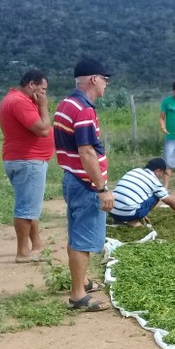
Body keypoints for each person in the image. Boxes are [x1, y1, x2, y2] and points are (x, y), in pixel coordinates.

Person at [54, 58, 115, 312]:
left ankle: (82, 282)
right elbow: (87, 152)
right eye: (105, 80)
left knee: (76, 233)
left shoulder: (65, 104)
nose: (106, 85)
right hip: (85, 182)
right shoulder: (84, 110)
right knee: (83, 239)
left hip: (72, 178)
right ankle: (78, 295)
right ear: (93, 79)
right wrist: (101, 189)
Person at [0, 69, 54, 263]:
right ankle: (23, 252)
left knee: (31, 206)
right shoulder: (20, 102)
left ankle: (36, 244)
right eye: (43, 90)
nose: (44, 94)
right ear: (32, 84)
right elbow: (43, 129)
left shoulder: (17, 99)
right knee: (26, 209)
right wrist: (44, 106)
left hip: (25, 160)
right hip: (28, 161)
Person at [110, 158, 175, 226]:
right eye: (163, 174)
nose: (162, 177)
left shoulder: (134, 171)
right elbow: (173, 203)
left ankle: (119, 220)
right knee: (157, 195)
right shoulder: (153, 180)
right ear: (158, 171)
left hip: (112, 211)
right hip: (129, 213)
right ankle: (134, 220)